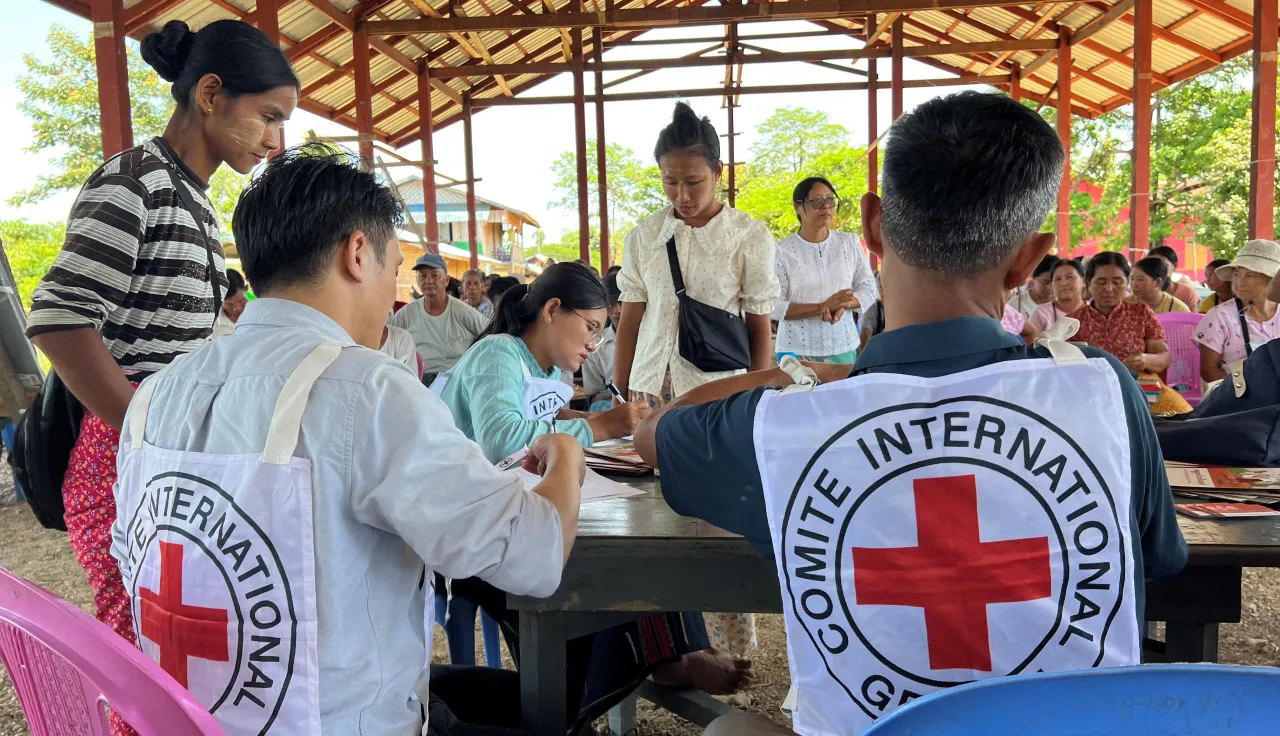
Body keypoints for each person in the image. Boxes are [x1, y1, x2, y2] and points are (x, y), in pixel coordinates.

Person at [629, 91, 1186, 735]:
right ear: (1030, 259)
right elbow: (1157, 560)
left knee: (729, 730)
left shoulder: (788, 424)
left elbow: (654, 434)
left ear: (871, 226)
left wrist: (797, 375)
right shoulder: (1099, 386)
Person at [111, 146, 584, 736]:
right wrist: (567, 458)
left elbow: (132, 556)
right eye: (393, 268)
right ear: (358, 253)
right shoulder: (368, 389)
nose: (392, 293)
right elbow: (533, 557)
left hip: (200, 721)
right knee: (560, 711)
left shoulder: (155, 393)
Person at [23, 22, 297, 726]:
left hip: (157, 450)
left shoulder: (194, 198)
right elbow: (57, 316)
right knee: (140, 659)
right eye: (269, 116)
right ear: (210, 94)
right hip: (119, 455)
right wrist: (139, 429)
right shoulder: (135, 181)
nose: (275, 140)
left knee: (175, 657)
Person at [613, 101, 778, 658]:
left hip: (715, 396)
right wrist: (621, 390)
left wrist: (759, 394)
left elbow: (758, 324)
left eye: (693, 181)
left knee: (716, 517)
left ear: (718, 173)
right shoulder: (644, 235)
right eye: (670, 181)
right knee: (647, 515)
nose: (681, 194)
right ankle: (671, 649)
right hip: (649, 389)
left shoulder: (748, 236)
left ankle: (731, 651)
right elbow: (630, 317)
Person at [439, 262, 650, 463]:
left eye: (598, 335)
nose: (593, 346)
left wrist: (593, 418)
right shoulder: (496, 353)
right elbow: (502, 441)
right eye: (590, 328)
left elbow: (537, 417)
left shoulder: (549, 368)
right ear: (552, 310)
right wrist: (599, 427)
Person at [772, 176, 878, 364]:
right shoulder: (782, 251)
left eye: (830, 200)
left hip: (843, 346)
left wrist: (842, 305)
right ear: (797, 207)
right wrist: (821, 307)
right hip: (796, 350)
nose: (826, 206)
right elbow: (773, 305)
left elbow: (869, 289)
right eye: (817, 201)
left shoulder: (848, 243)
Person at [1069, 251, 1190, 414]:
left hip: (1139, 387)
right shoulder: (1074, 320)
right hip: (1092, 391)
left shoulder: (1141, 313)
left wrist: (1145, 360)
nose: (1109, 289)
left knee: (1183, 414)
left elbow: (1163, 356)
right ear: (1088, 282)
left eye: (1117, 282)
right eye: (1101, 282)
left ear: (1127, 283)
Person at [388, 253, 489, 386]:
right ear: (417, 280)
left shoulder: (464, 312)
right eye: (423, 276)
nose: (428, 281)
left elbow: (491, 336)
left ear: (446, 280)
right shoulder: (406, 314)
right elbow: (389, 343)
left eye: (435, 275)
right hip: (418, 382)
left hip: (455, 381)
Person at [1193, 240, 1280, 383]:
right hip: (1238, 393)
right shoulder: (1219, 316)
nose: (1240, 282)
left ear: (1272, 280)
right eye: (1237, 274)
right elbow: (1208, 370)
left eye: (1249, 275)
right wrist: (1241, 391)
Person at [583, 273, 622, 409]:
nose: (617, 310)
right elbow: (594, 396)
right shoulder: (594, 344)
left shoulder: (650, 339)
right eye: (612, 304)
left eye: (622, 303)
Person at [1028, 257, 1086, 332]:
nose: (1063, 283)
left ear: (1083, 281)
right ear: (1052, 284)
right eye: (1058, 279)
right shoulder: (1041, 313)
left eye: (1069, 277)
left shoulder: (1094, 312)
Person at [1149, 244, 1201, 310]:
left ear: (1175, 266)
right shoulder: (1141, 291)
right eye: (1153, 266)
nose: (1158, 270)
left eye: (1164, 265)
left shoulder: (1186, 293)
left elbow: (1192, 316)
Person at [1006, 253, 1057, 319]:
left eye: (1055, 281)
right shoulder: (1014, 306)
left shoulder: (1062, 305)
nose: (1049, 287)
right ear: (1033, 278)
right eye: (1044, 282)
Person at [211, 268, 249, 338]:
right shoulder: (211, 325)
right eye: (230, 304)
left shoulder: (260, 313)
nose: (236, 309)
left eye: (240, 301)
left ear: (246, 289)